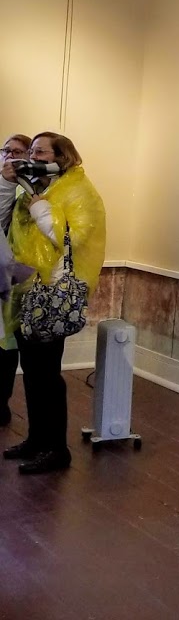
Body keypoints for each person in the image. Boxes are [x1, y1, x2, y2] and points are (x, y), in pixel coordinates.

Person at [4, 132, 105, 473]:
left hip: (52, 295)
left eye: (41, 151)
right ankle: (36, 440)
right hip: (26, 291)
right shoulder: (40, 186)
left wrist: (40, 208)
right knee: (32, 373)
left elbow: (72, 237)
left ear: (62, 156)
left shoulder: (79, 191)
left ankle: (57, 449)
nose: (33, 156)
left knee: (47, 374)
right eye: (31, 150)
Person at [0, 134, 31, 427]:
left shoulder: (31, 190)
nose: (10, 156)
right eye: (6, 150)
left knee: (6, 347)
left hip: (17, 282)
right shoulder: (3, 184)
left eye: (18, 152)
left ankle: (1, 403)